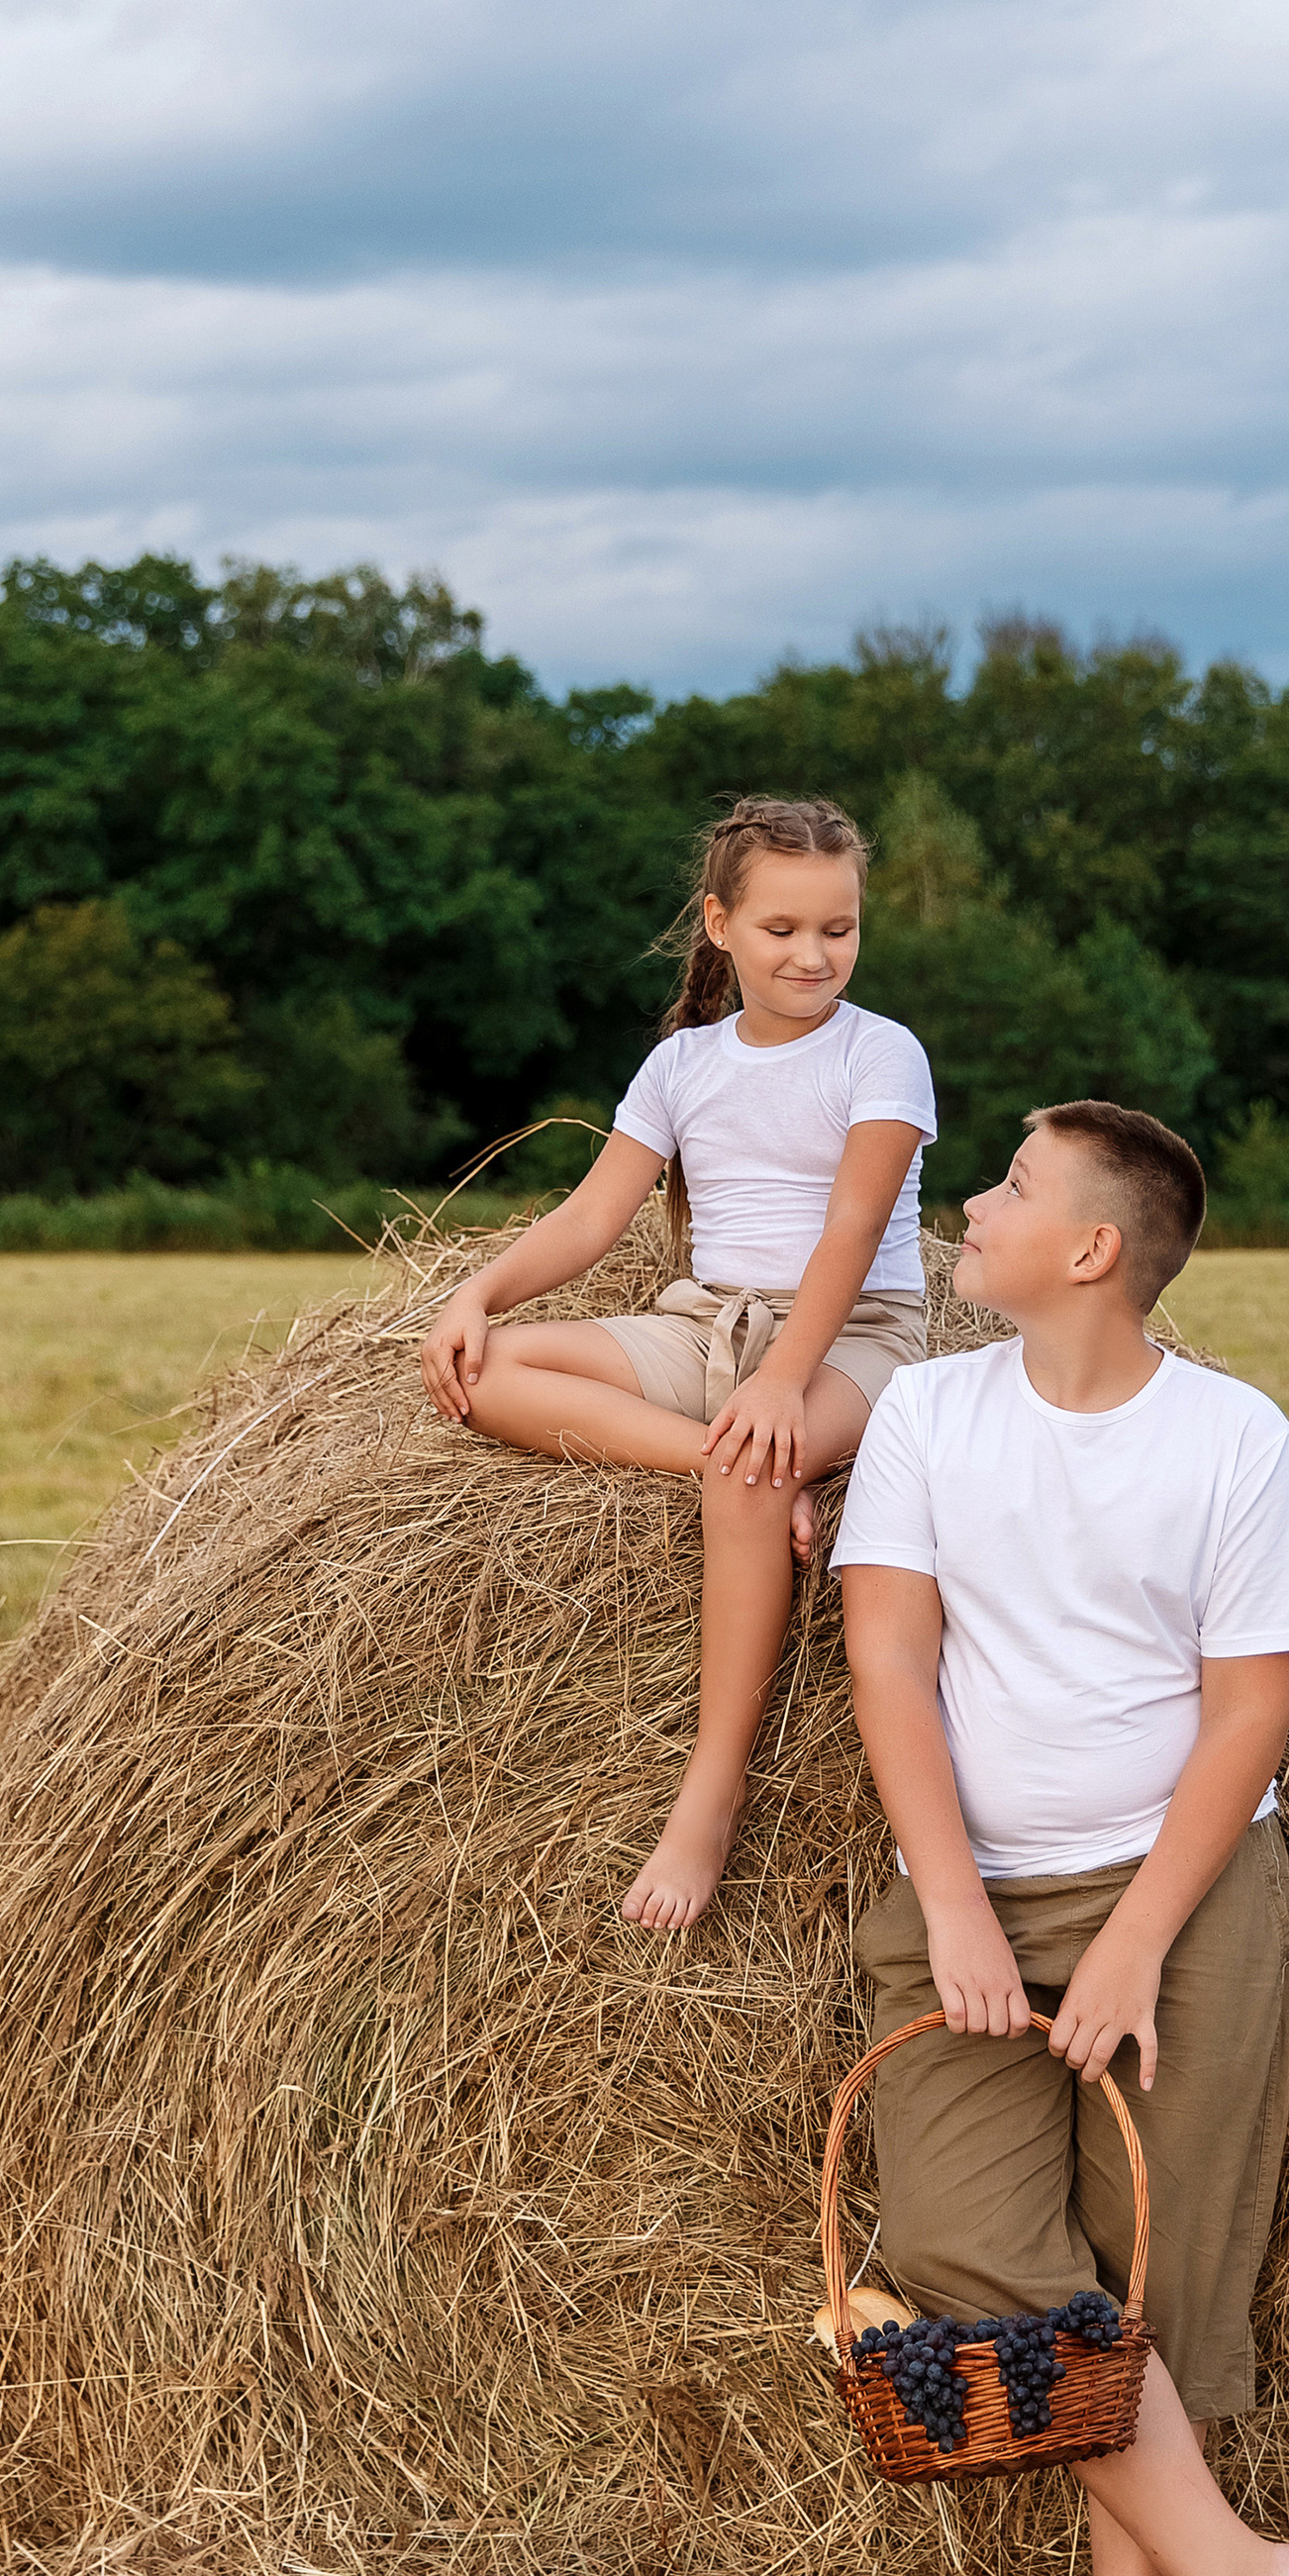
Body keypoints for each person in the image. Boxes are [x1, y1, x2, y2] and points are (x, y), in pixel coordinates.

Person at [833, 1098, 1289, 2576]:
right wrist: (959, 1906)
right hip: (968, 1890)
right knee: (975, 2254)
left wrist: (1134, 1940)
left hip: (1185, 1900)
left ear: (1092, 1251)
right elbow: (889, 1665)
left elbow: (1251, 1711)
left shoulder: (1234, 1439)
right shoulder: (924, 1413)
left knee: (1163, 2287)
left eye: (1009, 1186)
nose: (967, 1202)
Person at [421, 796, 936, 1931]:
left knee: (755, 1464)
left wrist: (782, 1381)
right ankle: (725, 1459)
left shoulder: (882, 1053)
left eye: (838, 930)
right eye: (783, 929)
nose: (814, 955)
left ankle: (709, 1793)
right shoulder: (682, 1066)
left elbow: (852, 1234)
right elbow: (593, 1216)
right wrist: (476, 1293)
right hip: (705, 1324)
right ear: (720, 924)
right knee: (489, 1372)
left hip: (855, 1336)